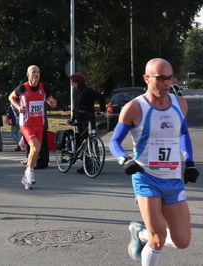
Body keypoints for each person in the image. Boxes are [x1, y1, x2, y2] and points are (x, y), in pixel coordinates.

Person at [109, 58, 199, 266]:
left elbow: (183, 134)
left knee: (182, 242)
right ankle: (148, 239)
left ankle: (141, 235)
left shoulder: (180, 104)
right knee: (157, 239)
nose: (167, 83)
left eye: (169, 78)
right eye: (161, 78)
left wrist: (190, 162)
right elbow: (114, 142)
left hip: (173, 179)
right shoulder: (134, 108)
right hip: (146, 179)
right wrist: (125, 160)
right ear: (147, 79)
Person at [8, 65, 56, 189]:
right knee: (34, 147)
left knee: (36, 150)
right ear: (28, 74)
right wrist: (18, 107)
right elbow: (11, 97)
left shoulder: (43, 87)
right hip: (26, 123)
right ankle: (30, 172)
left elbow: (51, 100)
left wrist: (52, 102)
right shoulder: (22, 88)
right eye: (33, 72)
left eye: (38, 72)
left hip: (39, 123)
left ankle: (27, 176)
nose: (36, 74)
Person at [68, 73, 106, 173]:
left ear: (77, 82)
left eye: (72, 82)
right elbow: (75, 107)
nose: (71, 84)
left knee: (92, 140)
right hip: (80, 119)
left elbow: (101, 97)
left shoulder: (86, 91)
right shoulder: (74, 92)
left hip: (89, 119)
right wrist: (72, 118)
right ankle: (86, 165)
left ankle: (95, 164)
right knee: (83, 141)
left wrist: (102, 110)